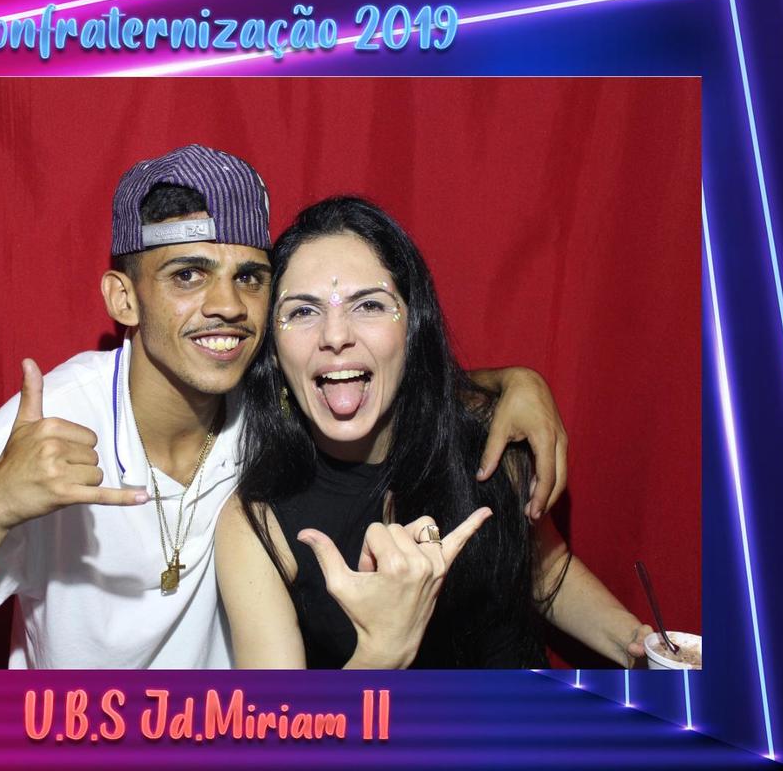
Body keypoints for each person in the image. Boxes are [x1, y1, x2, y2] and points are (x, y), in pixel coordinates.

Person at [0, 146, 569, 669]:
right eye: (188, 275)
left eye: (249, 277)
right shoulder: (46, 426)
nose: (227, 305)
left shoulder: (271, 395)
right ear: (124, 299)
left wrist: (516, 383)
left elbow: (382, 372)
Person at [216, 196, 651, 669]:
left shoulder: (490, 440)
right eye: (303, 311)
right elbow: (279, 717)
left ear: (413, 327)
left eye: (370, 305)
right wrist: (384, 649)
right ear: (273, 349)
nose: (335, 336)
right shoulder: (254, 524)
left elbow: (545, 570)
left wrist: (639, 645)